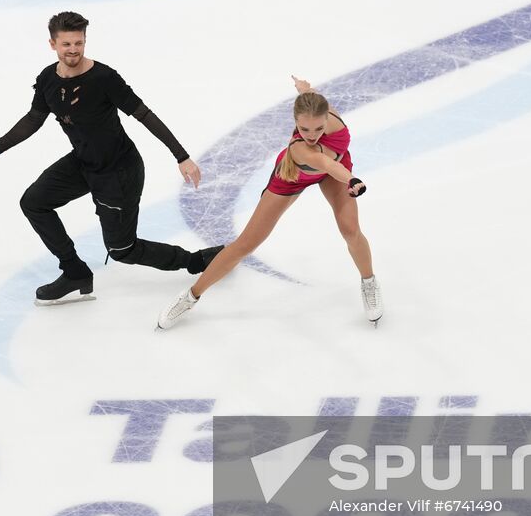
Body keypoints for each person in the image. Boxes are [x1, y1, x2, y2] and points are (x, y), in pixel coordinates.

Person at [0, 11, 223, 304]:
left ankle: (198, 261)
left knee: (122, 250)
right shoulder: (47, 79)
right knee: (34, 202)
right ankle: (75, 271)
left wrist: (182, 156)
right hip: (83, 162)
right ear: (52, 44)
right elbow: (33, 119)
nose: (73, 49)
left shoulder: (104, 78)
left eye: (79, 42)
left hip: (119, 172)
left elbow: (144, 115)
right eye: (66, 44)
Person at [156, 76, 383, 329]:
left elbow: (313, 100)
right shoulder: (300, 149)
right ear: (296, 122)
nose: (312, 135)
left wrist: (304, 89)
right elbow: (327, 164)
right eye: (304, 129)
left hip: (335, 173)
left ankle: (369, 282)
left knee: (351, 230)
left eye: (318, 129)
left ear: (326, 117)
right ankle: (190, 296)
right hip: (293, 177)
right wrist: (351, 179)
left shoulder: (329, 115)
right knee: (245, 245)